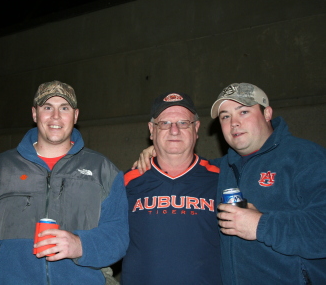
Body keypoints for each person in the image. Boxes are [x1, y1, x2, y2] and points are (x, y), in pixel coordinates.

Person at [134, 83, 326, 284]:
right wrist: (160, 152)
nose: (234, 123)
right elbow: (185, 166)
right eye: (225, 116)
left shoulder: (305, 159)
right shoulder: (220, 169)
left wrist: (260, 225)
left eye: (243, 112)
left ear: (267, 113)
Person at [0, 80, 129, 284]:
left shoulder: (103, 170)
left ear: (75, 116)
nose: (55, 116)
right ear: (34, 113)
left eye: (64, 108)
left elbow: (118, 234)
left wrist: (80, 244)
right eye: (47, 107)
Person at [122, 92, 222, 284]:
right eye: (165, 123)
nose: (174, 130)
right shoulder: (128, 181)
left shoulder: (221, 179)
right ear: (152, 130)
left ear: (196, 128)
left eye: (183, 123)